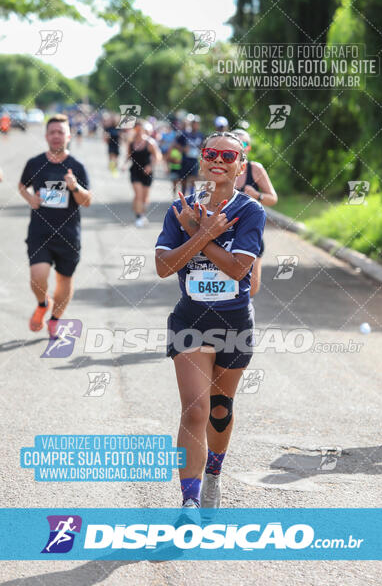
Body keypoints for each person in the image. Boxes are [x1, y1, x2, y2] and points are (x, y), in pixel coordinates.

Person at [155, 131, 266, 509]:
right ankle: (189, 502)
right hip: (190, 319)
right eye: (211, 153)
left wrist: (198, 233)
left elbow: (238, 271)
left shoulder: (250, 211)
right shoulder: (180, 207)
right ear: (202, 160)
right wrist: (201, 231)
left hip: (234, 323)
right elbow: (163, 266)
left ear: (240, 165)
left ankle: (213, 473)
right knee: (195, 409)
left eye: (228, 155)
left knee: (220, 410)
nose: (218, 159)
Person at [18, 114, 91, 338]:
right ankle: (42, 303)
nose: (56, 136)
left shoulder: (76, 166)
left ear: (69, 136)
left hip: (68, 234)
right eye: (52, 132)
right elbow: (22, 186)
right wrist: (31, 199)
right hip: (40, 232)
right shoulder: (35, 163)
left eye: (61, 132)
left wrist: (75, 187)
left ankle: (55, 319)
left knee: (64, 280)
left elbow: (86, 201)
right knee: (37, 276)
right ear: (46, 136)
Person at [232, 129, 278, 297]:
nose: (239, 146)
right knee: (226, 286)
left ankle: (243, 312)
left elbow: (273, 198)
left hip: (251, 234)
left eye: (243, 143)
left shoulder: (255, 169)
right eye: (235, 142)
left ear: (248, 148)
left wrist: (257, 195)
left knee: (252, 288)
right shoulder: (219, 168)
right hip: (224, 234)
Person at [124, 119, 161, 227]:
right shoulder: (131, 143)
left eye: (141, 129)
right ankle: (139, 217)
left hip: (147, 172)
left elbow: (158, 156)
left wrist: (150, 166)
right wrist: (124, 165)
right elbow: (128, 157)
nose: (139, 131)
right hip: (135, 172)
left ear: (144, 130)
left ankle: (142, 213)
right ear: (134, 130)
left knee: (145, 198)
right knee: (138, 194)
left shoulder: (150, 143)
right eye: (137, 129)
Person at [175, 115, 204, 195]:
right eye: (194, 123)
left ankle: (191, 198)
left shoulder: (200, 135)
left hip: (194, 160)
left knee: (194, 181)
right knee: (184, 181)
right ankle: (183, 198)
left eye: (197, 124)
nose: (195, 125)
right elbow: (175, 144)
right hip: (185, 160)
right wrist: (183, 149)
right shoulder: (185, 134)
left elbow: (203, 147)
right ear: (191, 124)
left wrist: (200, 150)